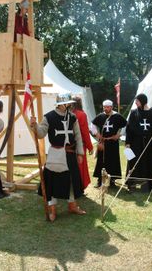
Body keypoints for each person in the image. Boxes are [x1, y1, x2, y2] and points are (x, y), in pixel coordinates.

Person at [30, 93, 86, 222]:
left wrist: (80, 153)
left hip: (70, 154)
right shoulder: (49, 117)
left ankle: (72, 205)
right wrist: (35, 125)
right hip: (55, 154)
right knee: (52, 182)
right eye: (68, 103)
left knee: (71, 181)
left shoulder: (72, 117)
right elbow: (41, 134)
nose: (70, 105)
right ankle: (52, 210)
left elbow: (77, 135)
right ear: (62, 104)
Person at [125, 93, 152, 193]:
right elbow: (129, 129)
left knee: (149, 164)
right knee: (133, 162)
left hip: (150, 144)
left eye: (137, 101)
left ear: (142, 101)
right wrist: (128, 143)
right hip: (135, 144)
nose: (136, 103)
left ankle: (148, 186)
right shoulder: (134, 113)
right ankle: (132, 184)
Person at [91, 99, 127, 188]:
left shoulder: (117, 116)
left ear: (111, 107)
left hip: (113, 143)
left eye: (107, 107)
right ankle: (100, 181)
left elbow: (126, 125)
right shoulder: (100, 116)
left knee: (113, 160)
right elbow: (92, 125)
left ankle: (112, 181)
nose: (106, 109)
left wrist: (119, 134)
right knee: (101, 161)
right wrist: (97, 134)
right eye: (104, 107)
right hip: (102, 142)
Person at [71, 96, 93, 190]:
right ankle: (79, 187)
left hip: (68, 145)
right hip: (79, 145)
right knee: (80, 167)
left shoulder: (67, 113)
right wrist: (90, 146)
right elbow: (84, 132)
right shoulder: (81, 115)